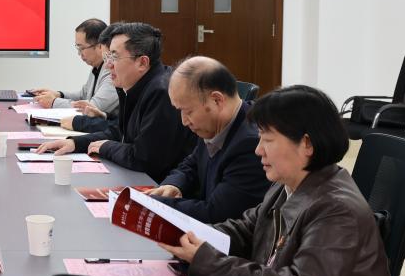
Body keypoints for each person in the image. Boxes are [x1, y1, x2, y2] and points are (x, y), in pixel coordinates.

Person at [160, 85, 403, 276]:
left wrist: (207, 260)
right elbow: (245, 229)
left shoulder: (337, 210)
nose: (258, 149)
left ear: (306, 144)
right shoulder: (287, 185)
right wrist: (191, 236)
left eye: (268, 139)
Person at [38, 22, 197, 183]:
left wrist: (106, 147)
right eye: (107, 57)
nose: (108, 65)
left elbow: (144, 159)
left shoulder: (161, 92)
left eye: (114, 57)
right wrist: (75, 143)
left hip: (162, 187)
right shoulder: (133, 86)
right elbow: (120, 133)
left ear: (142, 63)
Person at [145, 56, 268, 222]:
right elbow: (192, 163)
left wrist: (152, 205)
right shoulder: (213, 125)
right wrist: (173, 184)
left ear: (217, 100)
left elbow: (216, 214)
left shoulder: (251, 144)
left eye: (188, 111)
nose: (184, 121)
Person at [29, 19, 119, 122]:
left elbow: (92, 108)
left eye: (82, 48)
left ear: (99, 46)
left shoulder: (112, 71)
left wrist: (54, 102)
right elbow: (84, 95)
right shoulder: (97, 67)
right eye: (78, 48)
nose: (79, 54)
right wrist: (58, 94)